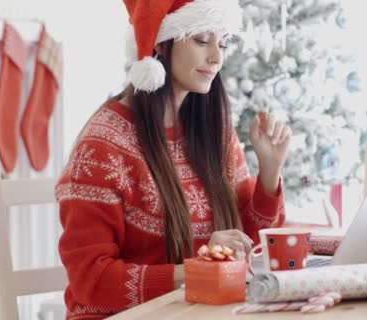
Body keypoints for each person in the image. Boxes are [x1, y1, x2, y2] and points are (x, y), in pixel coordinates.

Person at [55, 0, 291, 318]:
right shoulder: (102, 148)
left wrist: (270, 171)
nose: (217, 57)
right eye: (201, 40)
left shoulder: (213, 130)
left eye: (222, 43)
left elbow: (251, 242)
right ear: (160, 43)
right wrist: (197, 269)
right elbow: (91, 280)